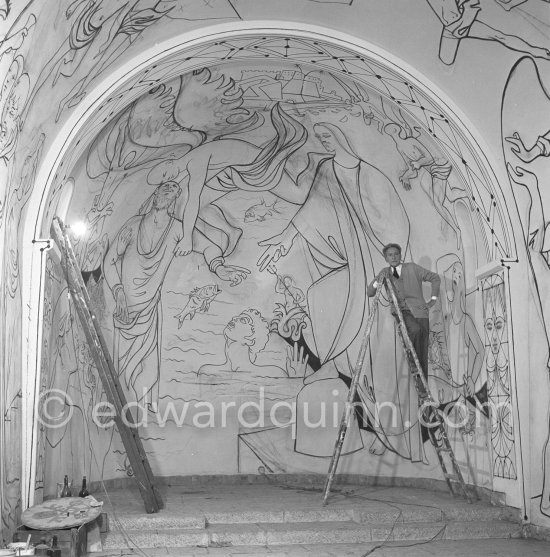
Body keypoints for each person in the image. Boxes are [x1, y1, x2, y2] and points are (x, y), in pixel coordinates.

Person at [257, 123, 425, 460]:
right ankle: (373, 419)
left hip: (374, 275)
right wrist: (284, 240)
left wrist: (390, 271)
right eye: (320, 137)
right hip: (355, 269)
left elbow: (393, 226)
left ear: (343, 136)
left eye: (328, 135)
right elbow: (310, 214)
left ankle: (396, 431)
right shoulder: (326, 170)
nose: (323, 141)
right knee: (323, 297)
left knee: (384, 360)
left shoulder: (372, 176)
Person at [103, 181, 249, 407]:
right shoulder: (133, 225)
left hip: (149, 307)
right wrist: (118, 291)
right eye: (164, 189)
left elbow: (209, 246)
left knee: (148, 364)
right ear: (155, 195)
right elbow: (110, 261)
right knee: (120, 363)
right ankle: (118, 408)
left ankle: (142, 408)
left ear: (175, 201)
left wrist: (220, 268)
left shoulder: (178, 230)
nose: (167, 193)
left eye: (172, 191)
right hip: (124, 306)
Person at [367, 243, 440, 380]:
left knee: (422, 351)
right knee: (415, 331)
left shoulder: (412, 267)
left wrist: (433, 299)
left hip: (420, 312)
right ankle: (414, 366)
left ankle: (423, 392)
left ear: (400, 255)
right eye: (390, 255)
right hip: (401, 311)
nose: (394, 257)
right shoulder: (385, 272)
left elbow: (435, 278)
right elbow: (370, 292)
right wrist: (378, 280)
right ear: (386, 258)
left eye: (396, 254)